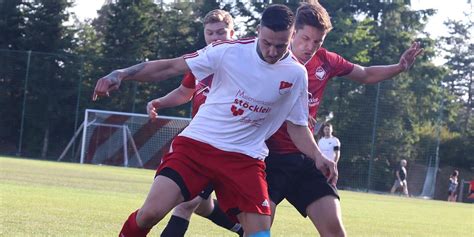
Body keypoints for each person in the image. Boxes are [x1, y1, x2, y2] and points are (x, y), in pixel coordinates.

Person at [93, 4, 337, 237]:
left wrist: (317, 155)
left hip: (245, 158)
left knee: (260, 231)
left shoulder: (296, 73)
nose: (272, 52)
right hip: (197, 147)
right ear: (258, 32)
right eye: (267, 43)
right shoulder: (227, 52)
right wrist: (121, 74)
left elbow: (296, 125)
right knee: (150, 214)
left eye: (280, 46)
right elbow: (170, 67)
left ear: (291, 36)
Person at [264, 2, 422, 236]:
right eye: (306, 39)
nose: (310, 47)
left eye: (317, 42)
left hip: (306, 158)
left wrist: (399, 67)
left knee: (336, 231)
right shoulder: (270, 58)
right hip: (268, 158)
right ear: (293, 32)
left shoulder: (325, 61)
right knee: (258, 231)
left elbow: (366, 74)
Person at [147, 9, 243, 237]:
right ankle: (242, 229)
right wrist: (159, 102)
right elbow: (184, 92)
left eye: (221, 32)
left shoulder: (246, 61)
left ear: (233, 33)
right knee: (200, 204)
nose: (215, 38)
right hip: (199, 141)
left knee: (185, 203)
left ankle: (246, 228)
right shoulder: (202, 60)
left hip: (230, 145)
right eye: (210, 33)